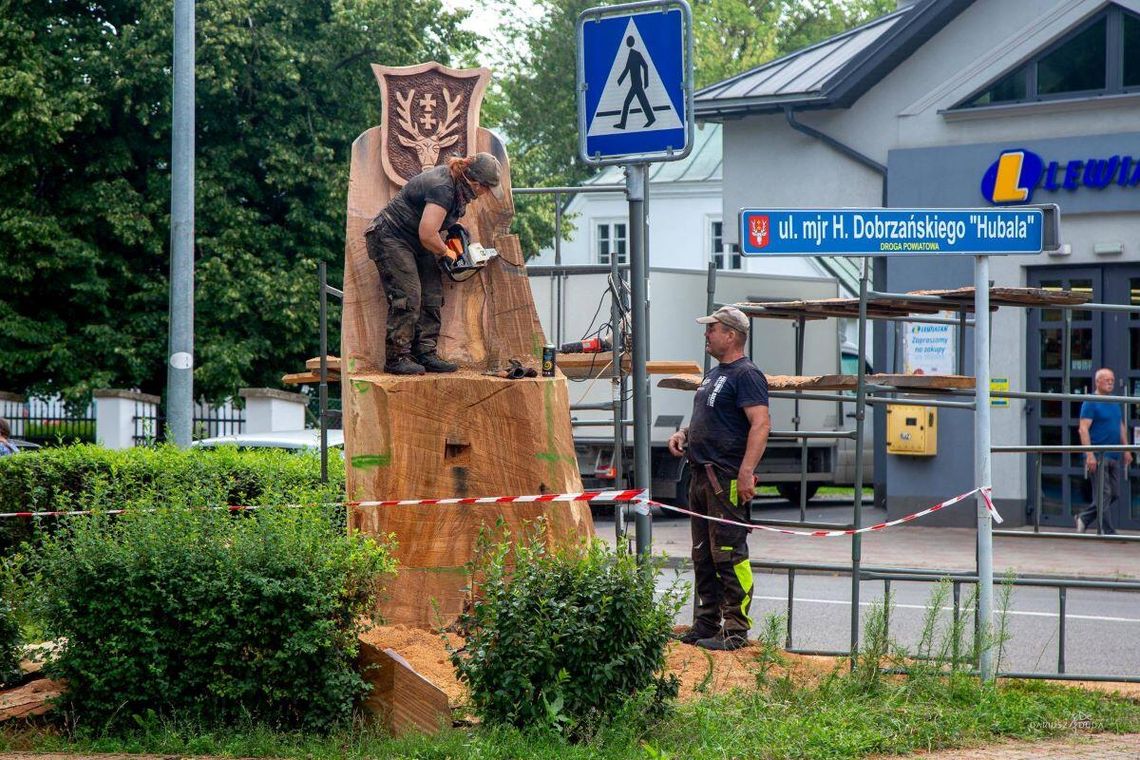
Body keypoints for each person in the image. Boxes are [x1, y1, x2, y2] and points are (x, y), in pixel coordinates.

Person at [667, 305, 770, 650]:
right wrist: (685, 434)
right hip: (700, 476)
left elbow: (761, 423)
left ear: (731, 334)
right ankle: (706, 624)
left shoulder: (747, 374)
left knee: (729, 553)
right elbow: (712, 419)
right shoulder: (714, 374)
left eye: (712, 329)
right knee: (703, 554)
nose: (706, 334)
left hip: (725, 478)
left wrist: (746, 471)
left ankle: (735, 630)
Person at [365, 152, 504, 375]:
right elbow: (428, 234)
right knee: (408, 295)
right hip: (391, 236)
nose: (486, 194)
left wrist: (454, 231)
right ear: (476, 184)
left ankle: (425, 353)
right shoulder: (443, 187)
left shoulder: (458, 185)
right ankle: (396, 358)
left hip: (416, 240)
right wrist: (446, 252)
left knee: (432, 293)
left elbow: (431, 225)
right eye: (487, 189)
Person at [1076, 367, 1132, 534]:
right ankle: (1108, 531)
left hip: (1114, 455)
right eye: (1107, 380)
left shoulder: (1114, 401)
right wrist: (1089, 455)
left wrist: (1126, 449)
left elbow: (1120, 426)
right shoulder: (1090, 401)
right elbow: (1083, 429)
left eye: (1112, 380)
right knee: (1104, 493)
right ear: (1097, 381)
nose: (1110, 383)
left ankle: (1084, 518)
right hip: (1098, 455)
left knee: (1114, 493)